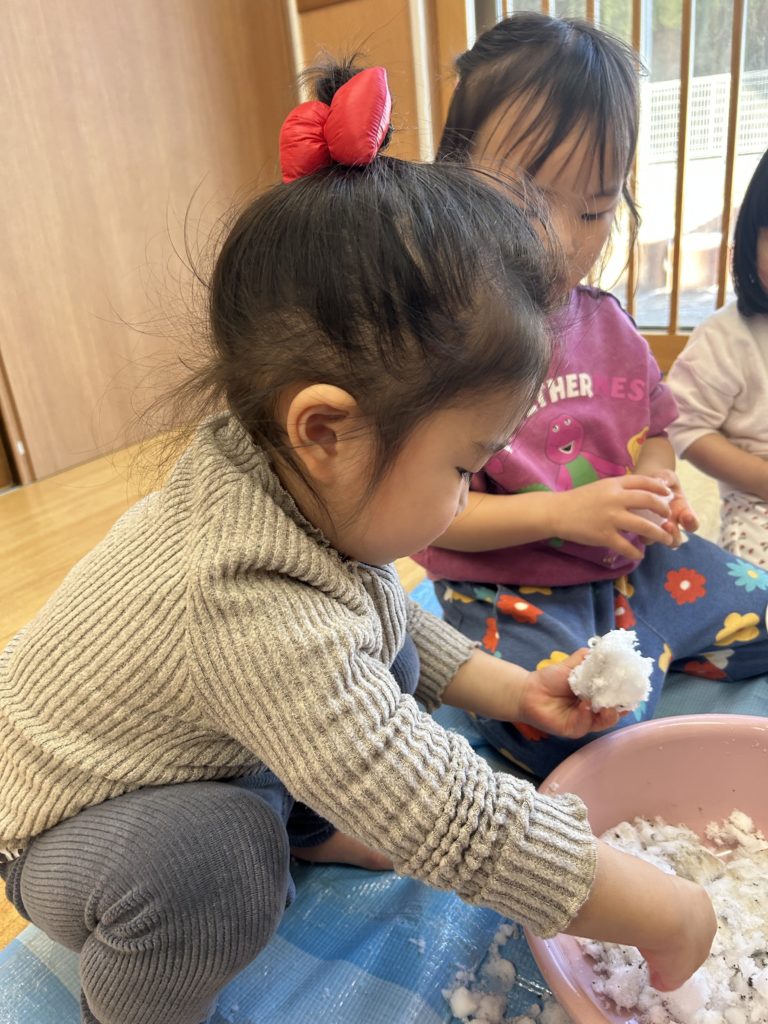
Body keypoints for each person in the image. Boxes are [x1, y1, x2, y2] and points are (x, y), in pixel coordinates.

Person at [0, 61, 715, 1024]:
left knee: (380, 644)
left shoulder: (292, 479)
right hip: (63, 825)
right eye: (465, 466)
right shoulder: (246, 604)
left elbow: (378, 619)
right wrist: (661, 909)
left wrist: (513, 692)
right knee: (218, 864)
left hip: (199, 744)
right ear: (326, 429)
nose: (467, 495)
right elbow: (453, 821)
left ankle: (303, 818)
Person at [415, 12, 768, 779]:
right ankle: (644, 664)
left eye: (594, 211)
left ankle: (657, 643)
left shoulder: (607, 322)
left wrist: (657, 485)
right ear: (454, 183)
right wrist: (561, 513)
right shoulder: (443, 349)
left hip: (637, 569)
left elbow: (655, 432)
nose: (560, 239)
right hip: (510, 586)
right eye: (526, 200)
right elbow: (436, 513)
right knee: (569, 725)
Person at [667, 147, 768, 568]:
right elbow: (685, 425)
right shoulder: (728, 336)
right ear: (751, 237)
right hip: (758, 505)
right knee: (753, 593)